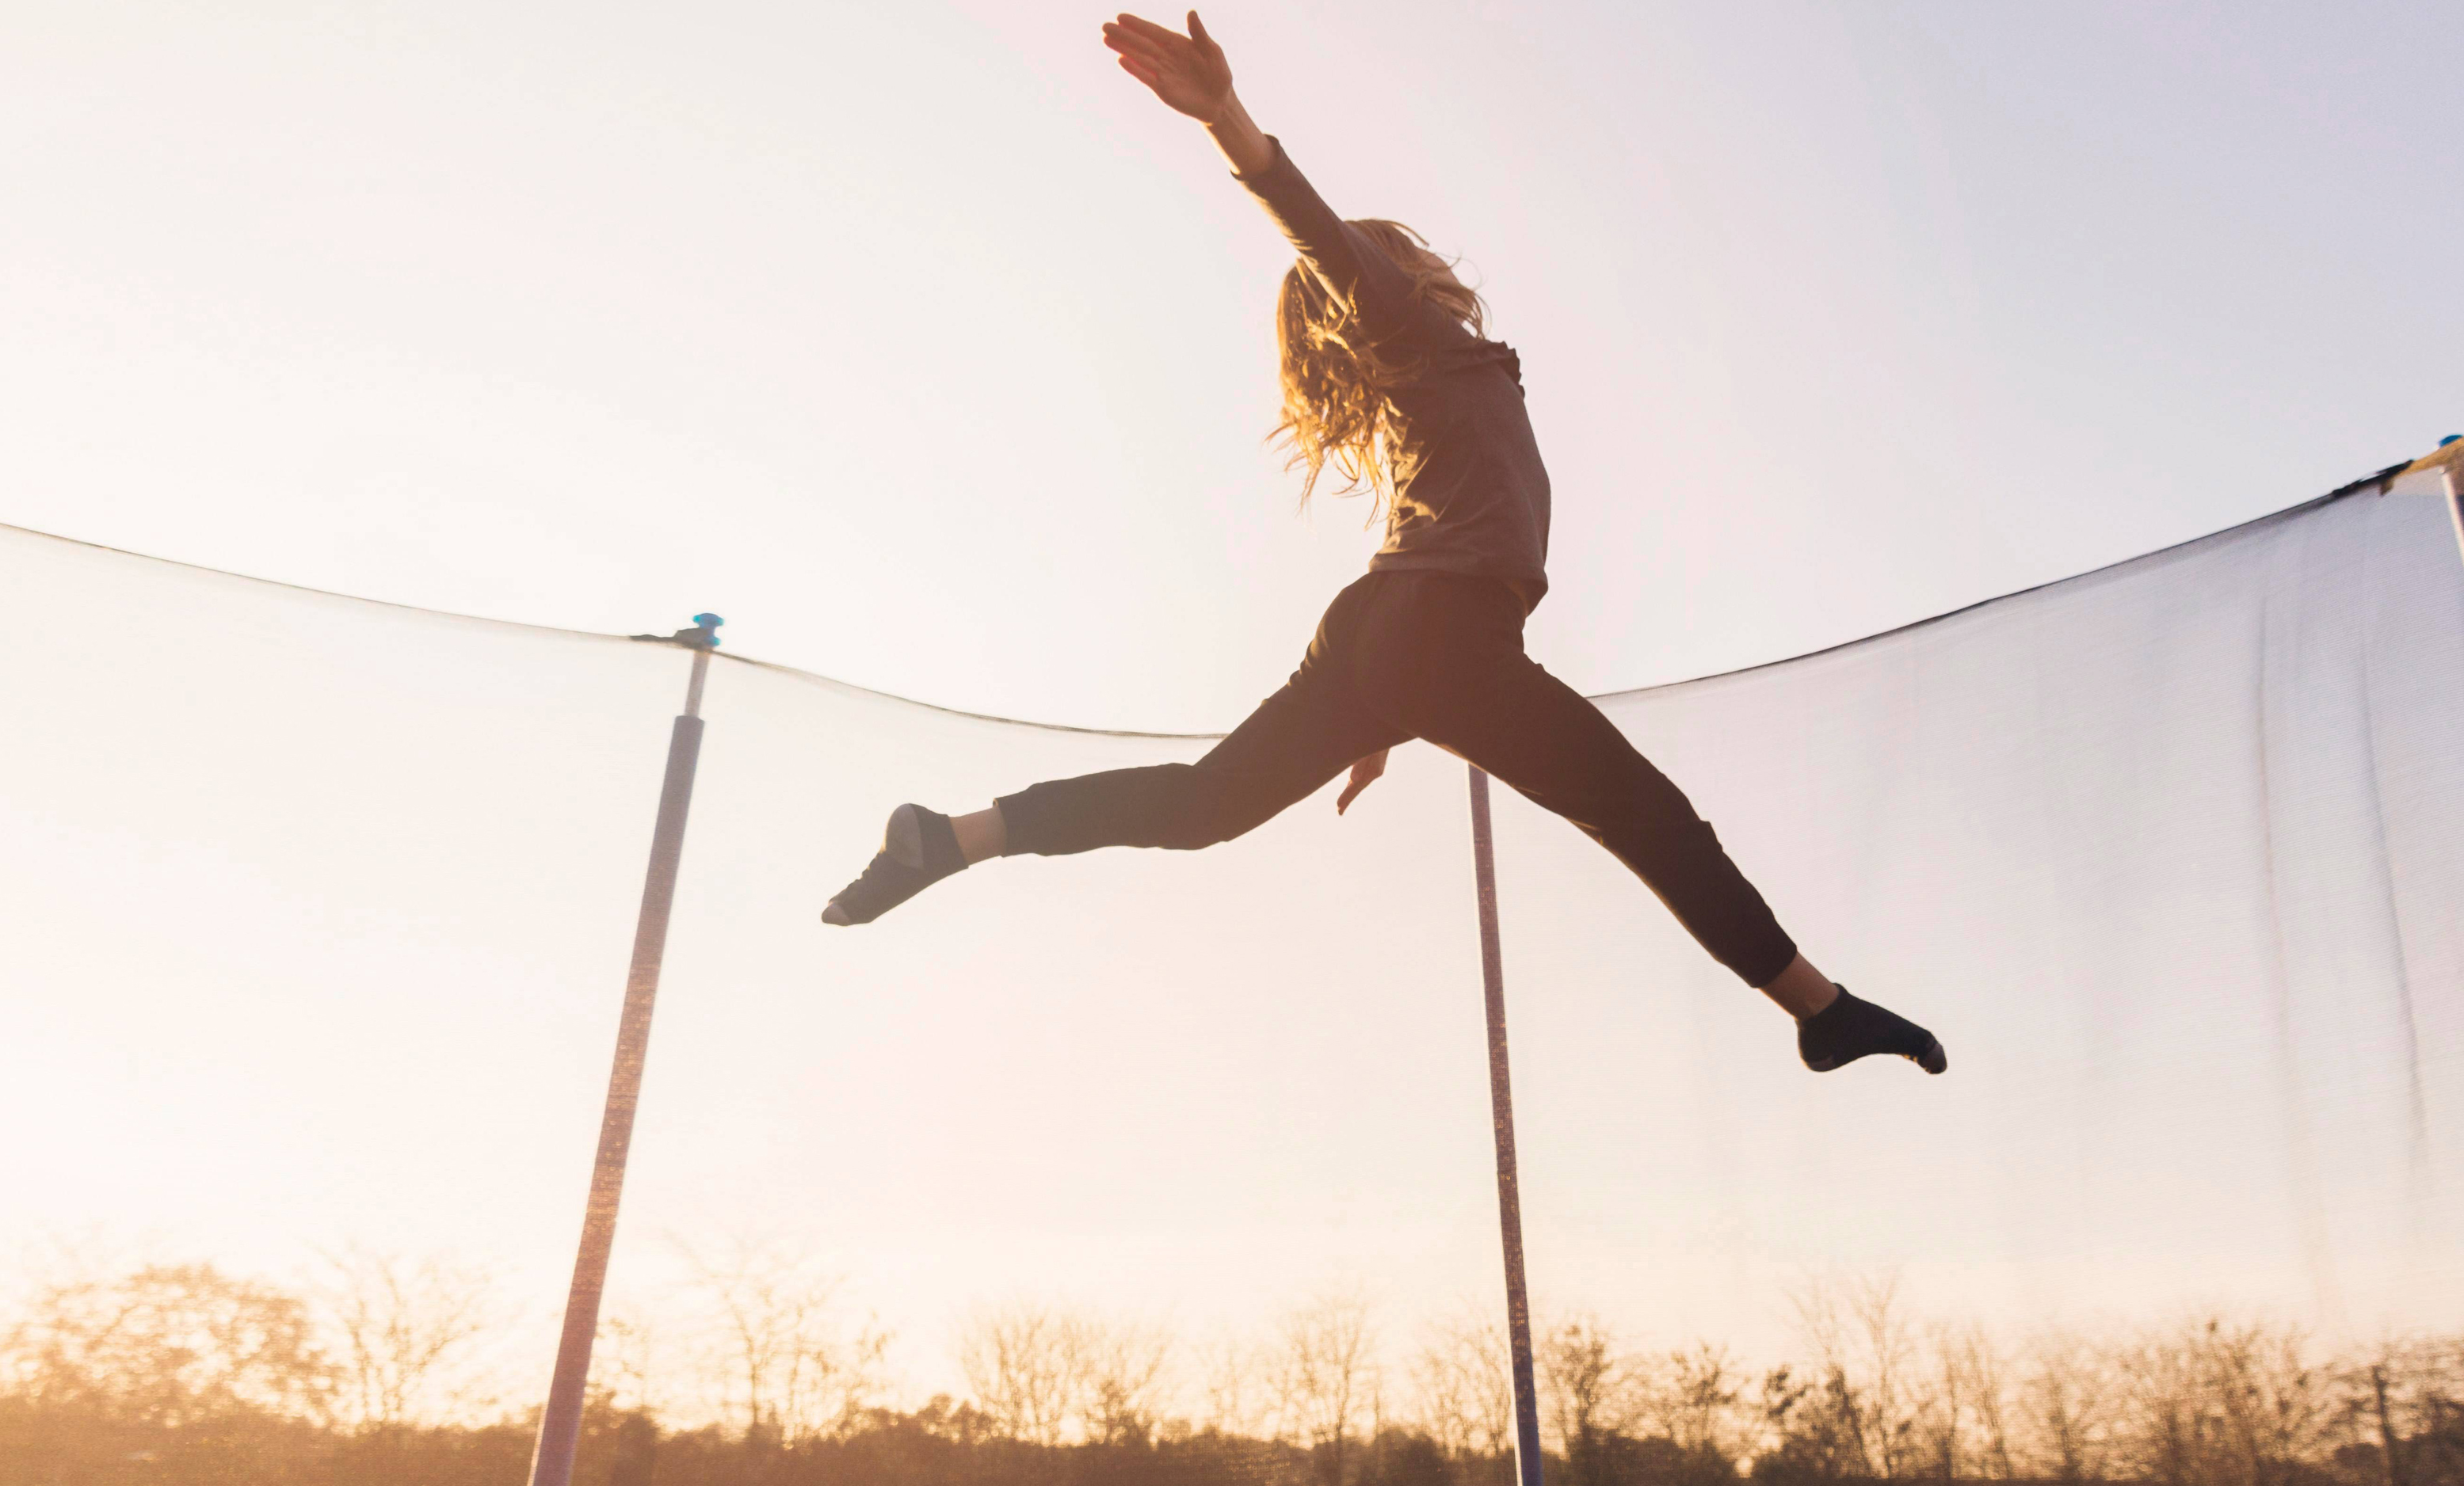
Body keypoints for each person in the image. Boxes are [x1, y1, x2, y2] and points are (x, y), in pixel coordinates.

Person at [825, 10, 1945, 1076]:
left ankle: (951, 837)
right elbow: (1310, 227)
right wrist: (1229, 120)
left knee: (1204, 806)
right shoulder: (1410, 329)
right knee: (1643, 815)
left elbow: (1426, 567)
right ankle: (1820, 1011)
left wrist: (1386, 713)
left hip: (1391, 637)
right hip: (1429, 635)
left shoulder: (1441, 381)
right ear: (1398, 277)